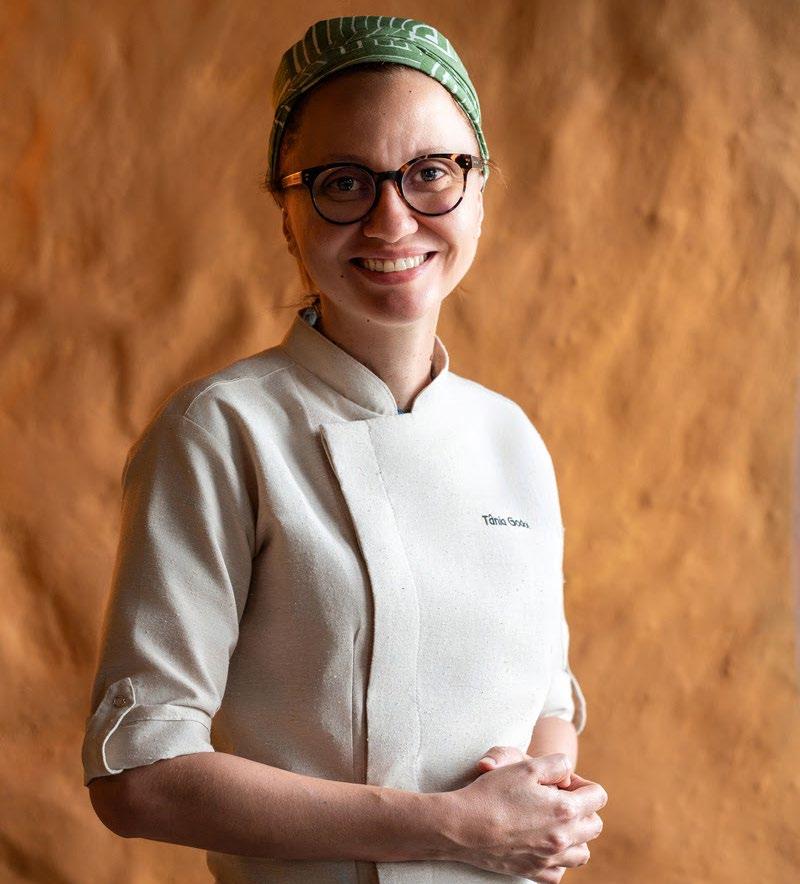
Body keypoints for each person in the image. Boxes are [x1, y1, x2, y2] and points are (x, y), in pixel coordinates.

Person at [81, 15, 607, 884]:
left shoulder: (511, 439)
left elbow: (548, 699)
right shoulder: (221, 430)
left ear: (478, 190)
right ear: (287, 214)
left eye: (431, 173)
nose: (391, 220)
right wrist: (451, 828)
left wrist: (545, 810)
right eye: (343, 182)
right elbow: (138, 773)